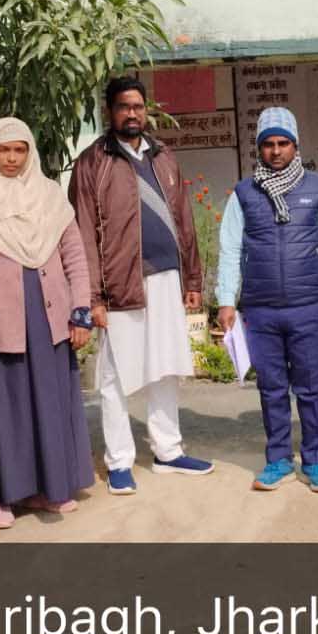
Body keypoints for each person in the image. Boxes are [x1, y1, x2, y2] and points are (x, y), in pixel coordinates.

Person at [69, 77, 215, 494]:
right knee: (115, 377)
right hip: (119, 286)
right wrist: (92, 298)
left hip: (167, 278)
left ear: (146, 109)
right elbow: (83, 234)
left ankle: (168, 450)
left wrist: (192, 278)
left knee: (165, 367)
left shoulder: (163, 155)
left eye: (137, 106)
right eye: (123, 106)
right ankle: (119, 461)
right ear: (109, 111)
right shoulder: (92, 163)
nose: (131, 114)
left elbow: (183, 220)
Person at [0, 117, 97, 525]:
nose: (11, 158)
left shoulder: (49, 196)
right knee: (3, 409)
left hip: (48, 318)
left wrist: (81, 312)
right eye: (4, 150)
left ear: (30, 153)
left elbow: (75, 256)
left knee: (48, 403)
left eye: (19, 150)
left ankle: (48, 489)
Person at [216, 107, 318, 493]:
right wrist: (226, 300)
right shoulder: (244, 194)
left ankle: (316, 462)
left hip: (307, 307)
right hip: (260, 310)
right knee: (271, 388)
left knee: (311, 389)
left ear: (295, 146)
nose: (276, 151)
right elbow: (230, 248)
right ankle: (278, 460)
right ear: (259, 148)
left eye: (283, 143)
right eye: (268, 144)